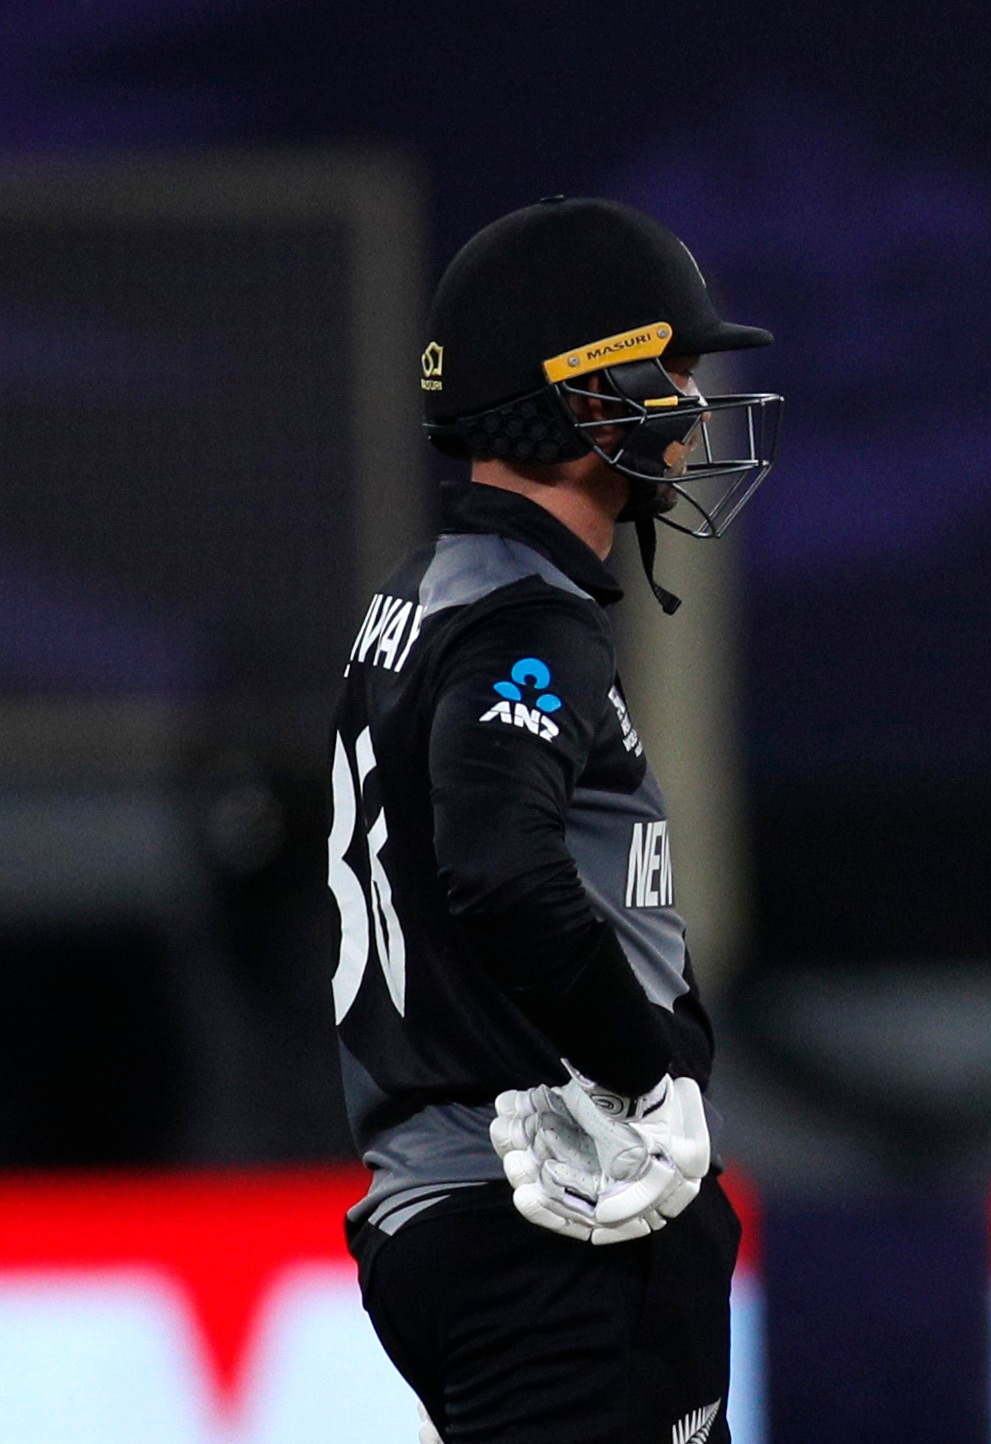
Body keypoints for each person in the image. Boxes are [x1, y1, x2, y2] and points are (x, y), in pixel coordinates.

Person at [327, 195, 780, 1444]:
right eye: (672, 377)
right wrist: (644, 1076)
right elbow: (501, 869)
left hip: (445, 1208)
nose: (693, 421)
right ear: (592, 401)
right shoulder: (525, 621)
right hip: (547, 1211)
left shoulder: (419, 598)